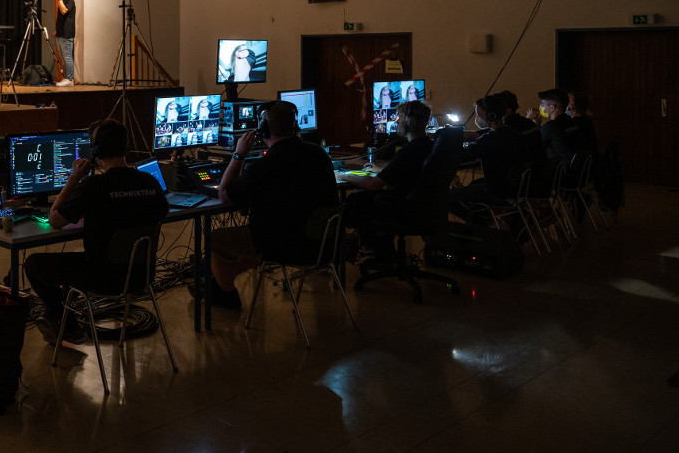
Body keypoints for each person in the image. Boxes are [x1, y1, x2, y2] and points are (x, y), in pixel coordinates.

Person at [23, 119, 169, 343]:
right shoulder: (150, 181)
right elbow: (161, 212)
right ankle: (60, 318)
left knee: (33, 264)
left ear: (96, 151)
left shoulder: (93, 186)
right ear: (126, 147)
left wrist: (74, 179)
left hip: (102, 278)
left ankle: (67, 324)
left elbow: (55, 219)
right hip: (142, 275)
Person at [205, 100, 339, 308]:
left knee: (213, 238)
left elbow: (224, 194)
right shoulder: (319, 155)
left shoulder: (264, 167)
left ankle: (226, 294)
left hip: (282, 245)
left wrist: (239, 154)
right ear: (295, 127)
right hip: (322, 245)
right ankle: (220, 283)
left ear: (263, 130)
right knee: (263, 236)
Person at [343, 100, 435, 262]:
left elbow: (374, 184)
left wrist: (345, 176)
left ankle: (366, 249)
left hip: (401, 210)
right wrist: (381, 169)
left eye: (399, 116)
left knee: (357, 199)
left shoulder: (409, 151)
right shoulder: (428, 146)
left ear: (409, 121)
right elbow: (405, 171)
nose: (397, 121)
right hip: (420, 208)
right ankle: (380, 249)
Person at [449, 94, 530, 218]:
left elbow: (463, 156)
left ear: (490, 116)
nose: (478, 118)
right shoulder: (516, 134)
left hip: (499, 191)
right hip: (518, 189)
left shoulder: (489, 140)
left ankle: (483, 226)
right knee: (473, 186)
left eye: (479, 115)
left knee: (448, 197)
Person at [528, 88, 577, 160]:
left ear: (552, 108)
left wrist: (528, 120)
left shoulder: (551, 126)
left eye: (542, 104)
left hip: (559, 168)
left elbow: (530, 145)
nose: (541, 108)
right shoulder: (572, 122)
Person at [53, 0, 76, 87]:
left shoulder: (69, 0)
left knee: (67, 57)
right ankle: (67, 78)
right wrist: (57, 31)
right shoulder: (62, 1)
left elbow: (64, 11)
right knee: (63, 57)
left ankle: (70, 79)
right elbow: (62, 18)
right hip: (61, 34)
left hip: (67, 34)